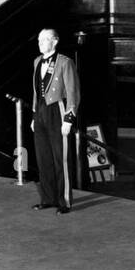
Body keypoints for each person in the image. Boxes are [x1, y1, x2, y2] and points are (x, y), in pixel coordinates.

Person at [30, 28, 80, 214]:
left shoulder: (65, 62)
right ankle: (48, 198)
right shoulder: (36, 61)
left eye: (45, 39)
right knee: (43, 158)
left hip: (57, 110)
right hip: (41, 111)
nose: (40, 43)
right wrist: (35, 116)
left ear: (55, 41)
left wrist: (68, 119)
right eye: (39, 39)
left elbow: (73, 92)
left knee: (61, 159)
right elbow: (36, 92)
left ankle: (64, 201)